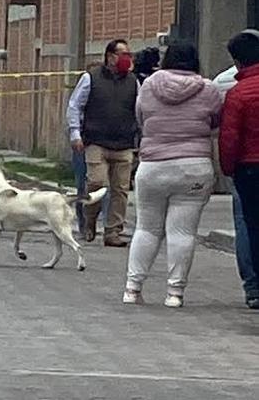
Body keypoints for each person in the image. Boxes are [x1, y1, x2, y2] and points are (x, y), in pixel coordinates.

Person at [123, 43, 221, 307]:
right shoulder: (209, 89)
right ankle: (174, 293)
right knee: (182, 232)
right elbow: (215, 123)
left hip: (153, 165)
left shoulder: (149, 85)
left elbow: (140, 118)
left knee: (146, 228)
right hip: (194, 166)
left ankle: (133, 288)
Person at [67, 39, 138, 247]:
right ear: (110, 56)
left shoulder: (133, 82)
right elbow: (74, 106)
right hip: (95, 141)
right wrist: (75, 134)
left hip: (124, 144)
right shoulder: (91, 79)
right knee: (96, 183)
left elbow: (140, 110)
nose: (127, 58)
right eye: (122, 54)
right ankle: (90, 221)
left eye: (129, 54)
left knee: (120, 190)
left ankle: (113, 231)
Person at [212, 61, 259, 309]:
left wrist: (228, 169)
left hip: (248, 167)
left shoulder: (232, 87)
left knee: (248, 224)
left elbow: (229, 135)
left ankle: (253, 286)